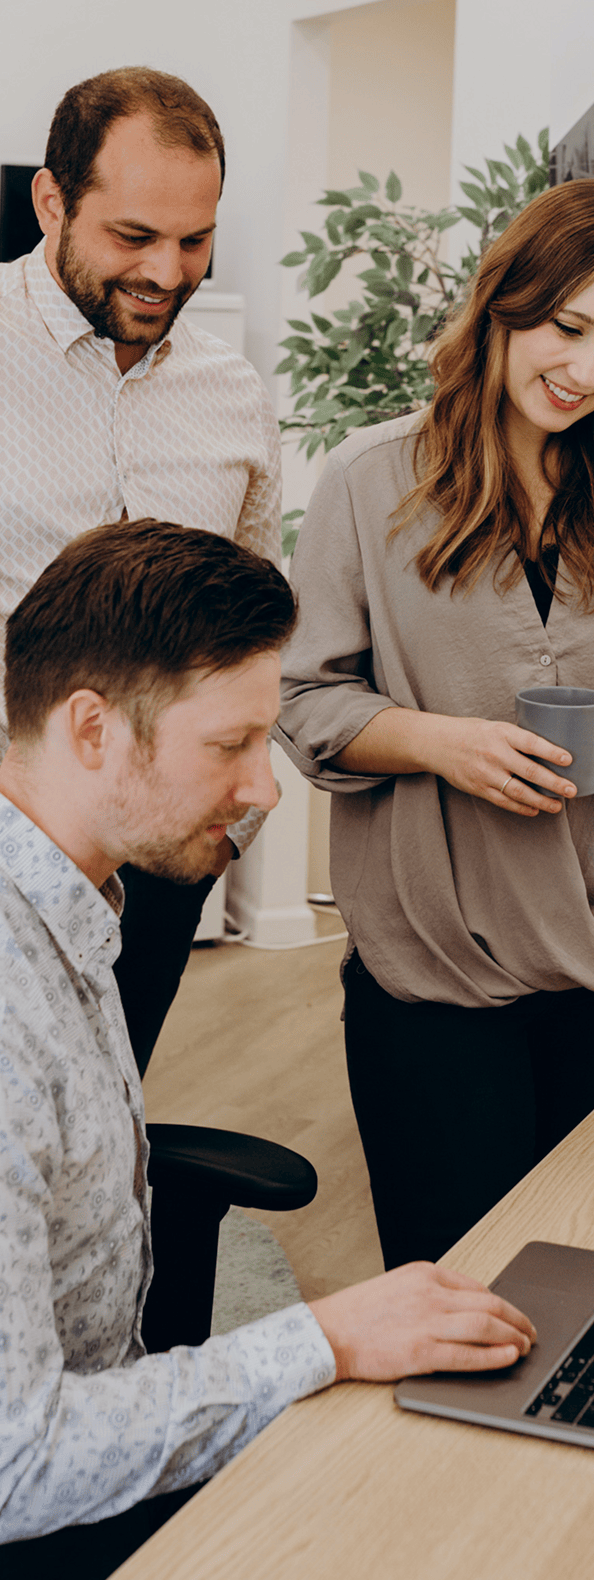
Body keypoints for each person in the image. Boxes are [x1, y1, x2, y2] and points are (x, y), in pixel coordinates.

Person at [0, 520, 535, 1580]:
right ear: (93, 729)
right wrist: (324, 1338)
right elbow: (19, 1465)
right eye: (230, 744)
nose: (265, 785)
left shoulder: (70, 901)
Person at [277, 180, 594, 1272]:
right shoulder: (366, 480)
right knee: (460, 1291)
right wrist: (440, 742)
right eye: (565, 327)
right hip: (440, 964)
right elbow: (302, 702)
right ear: (501, 303)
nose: (587, 372)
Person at [0, 67, 283, 1075]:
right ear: (51, 202)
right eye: (132, 238)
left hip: (165, 850)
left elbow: (253, 620)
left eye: (195, 240)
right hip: (9, 854)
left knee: (114, 1117)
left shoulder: (232, 394)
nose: (167, 270)